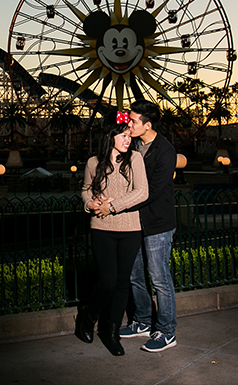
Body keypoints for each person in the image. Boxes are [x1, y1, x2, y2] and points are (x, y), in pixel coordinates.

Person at [75, 112, 149, 357]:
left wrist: (112, 205)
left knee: (121, 282)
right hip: (102, 228)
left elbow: (142, 192)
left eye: (129, 135)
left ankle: (112, 331)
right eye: (123, 135)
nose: (128, 139)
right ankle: (89, 316)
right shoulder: (93, 162)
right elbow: (85, 190)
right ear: (110, 136)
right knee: (107, 280)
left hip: (130, 228)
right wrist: (91, 205)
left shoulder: (135, 159)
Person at [120, 99, 178, 352]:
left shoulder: (165, 152)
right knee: (135, 276)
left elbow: (152, 191)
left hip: (157, 224)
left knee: (159, 279)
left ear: (148, 124)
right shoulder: (133, 147)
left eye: (133, 121)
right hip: (135, 222)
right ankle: (142, 321)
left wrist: (119, 205)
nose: (128, 124)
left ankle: (166, 331)